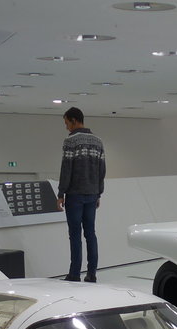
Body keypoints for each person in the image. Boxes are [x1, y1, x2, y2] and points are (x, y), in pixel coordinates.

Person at [55, 107, 105, 283]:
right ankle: (92, 274)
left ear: (74, 120)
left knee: (75, 234)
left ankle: (74, 273)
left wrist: (61, 193)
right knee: (90, 233)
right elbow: (102, 170)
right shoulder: (98, 141)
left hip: (75, 194)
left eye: (67, 123)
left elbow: (66, 169)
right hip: (92, 194)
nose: (66, 127)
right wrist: (98, 192)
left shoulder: (70, 141)